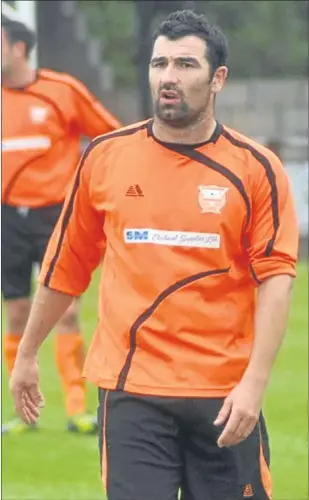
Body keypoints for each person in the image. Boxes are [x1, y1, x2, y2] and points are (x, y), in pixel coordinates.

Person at [9, 9, 298, 500]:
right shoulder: (104, 157)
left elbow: (276, 277)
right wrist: (28, 354)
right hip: (131, 390)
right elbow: (67, 265)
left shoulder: (256, 169)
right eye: (160, 63)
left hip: (223, 392)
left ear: (217, 78)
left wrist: (254, 384)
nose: (169, 76)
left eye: (185, 64)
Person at [2, 16, 121, 435]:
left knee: (67, 312)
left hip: (57, 214)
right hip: (7, 218)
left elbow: (110, 139)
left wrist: (95, 193)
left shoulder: (61, 91)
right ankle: (23, 412)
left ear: (19, 48)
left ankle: (76, 409)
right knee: (16, 314)